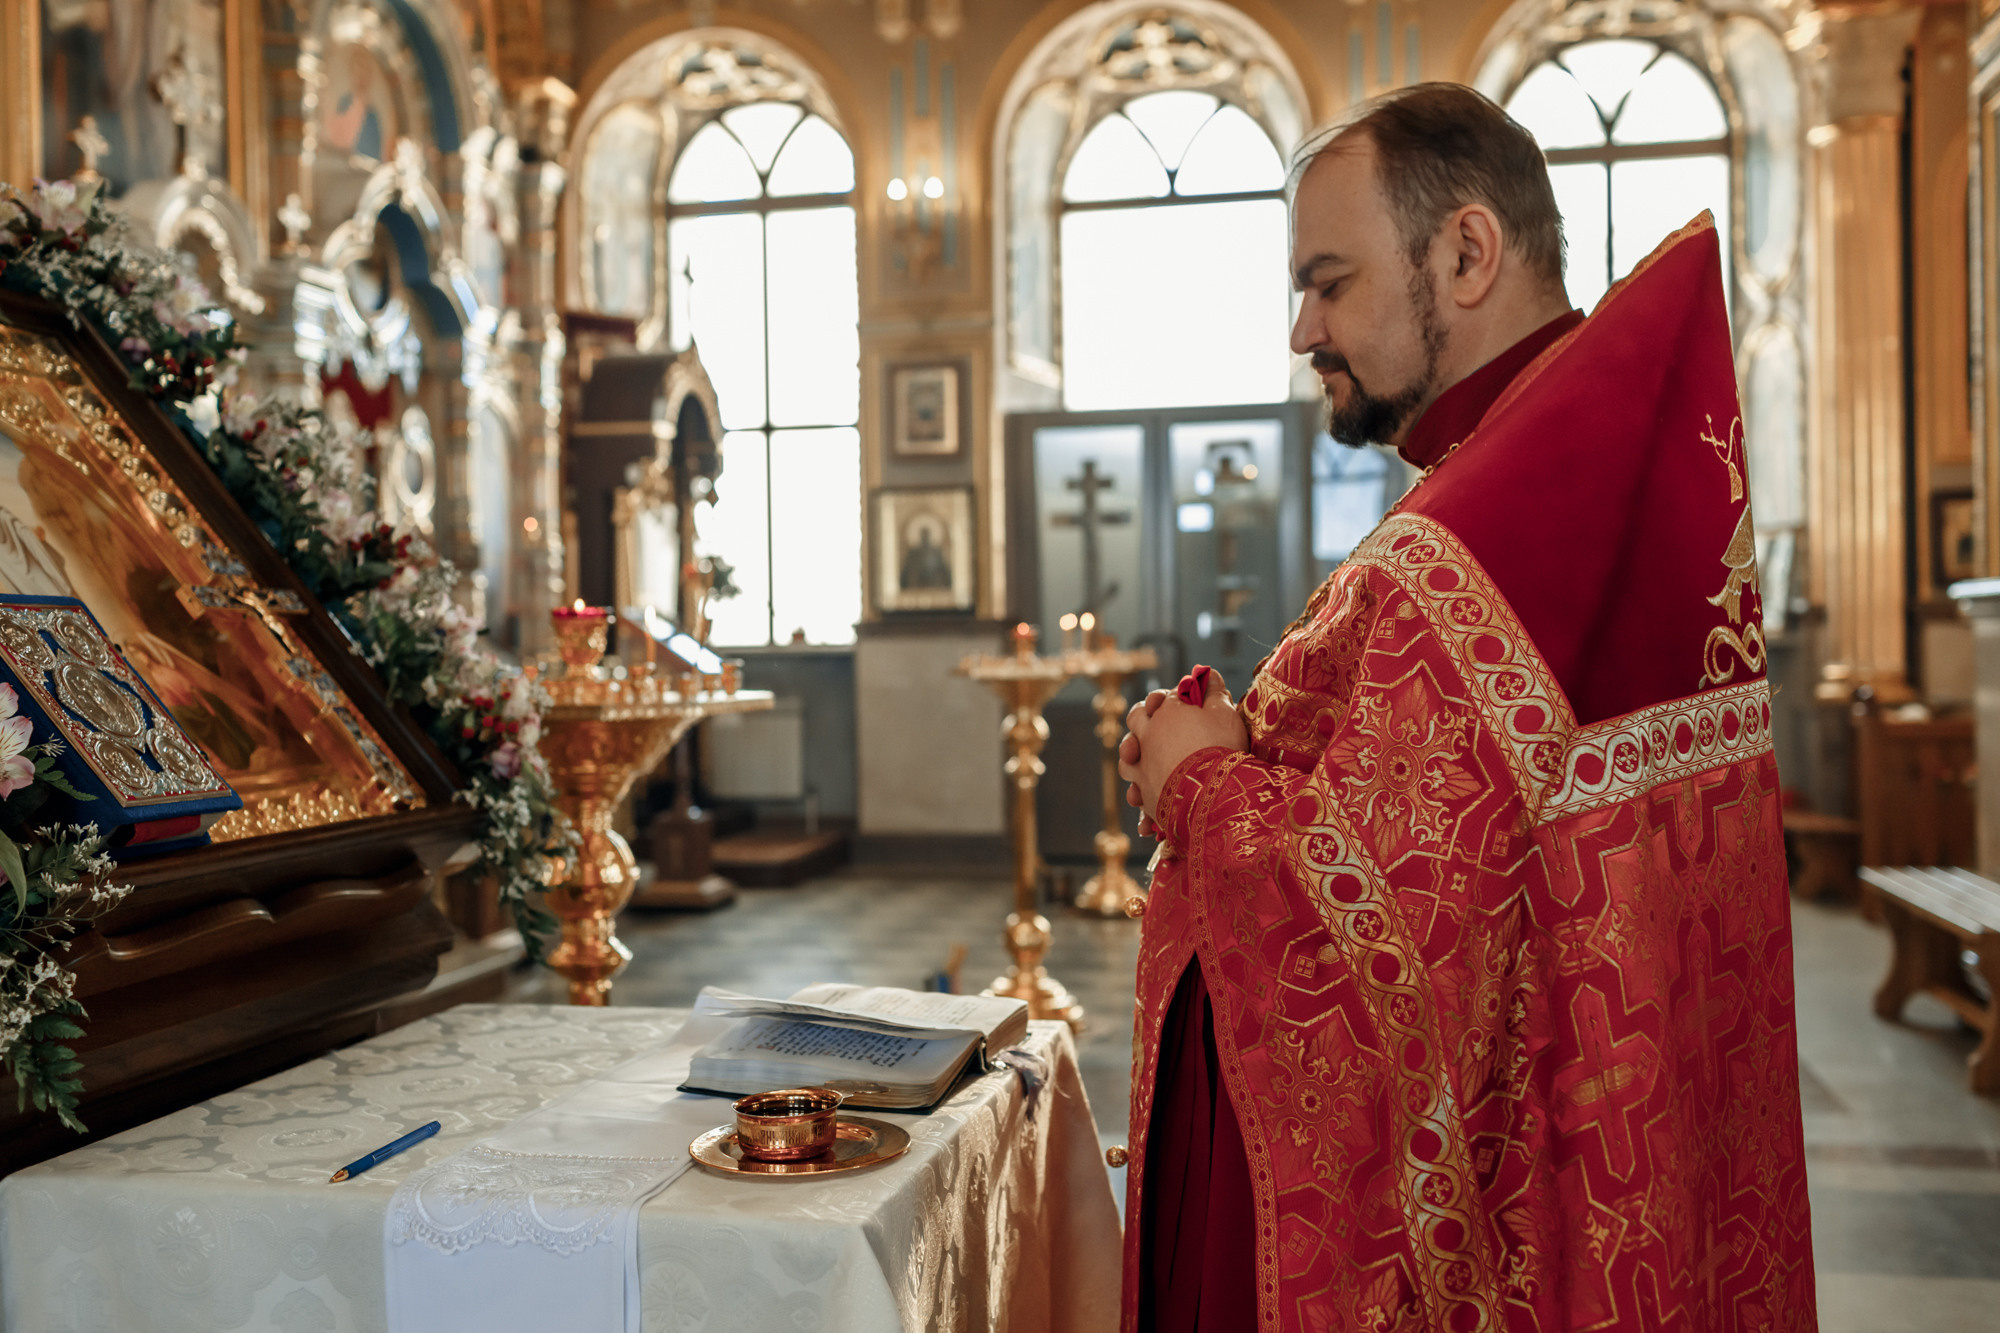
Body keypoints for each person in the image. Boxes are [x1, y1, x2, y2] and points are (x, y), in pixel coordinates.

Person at [1116, 83, 1813, 1331]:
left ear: (1467, 251)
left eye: (1327, 281)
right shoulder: (1585, 476)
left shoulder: (1480, 535)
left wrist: (1196, 780)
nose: (1300, 330)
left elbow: (1365, 946)